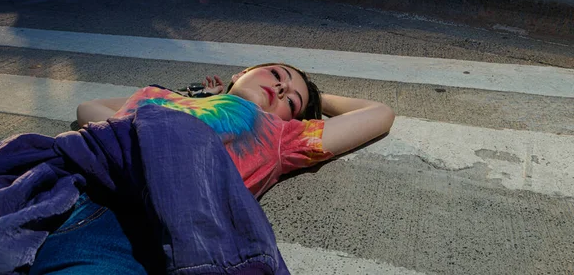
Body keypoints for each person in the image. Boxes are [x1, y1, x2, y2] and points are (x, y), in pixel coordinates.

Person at [30, 62, 395, 274]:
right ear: (241, 73)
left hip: (134, 226)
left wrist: (317, 96)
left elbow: (380, 114)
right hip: (68, 191)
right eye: (275, 74)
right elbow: (89, 111)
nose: (282, 88)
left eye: (292, 99)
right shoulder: (161, 98)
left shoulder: (280, 134)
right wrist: (189, 99)